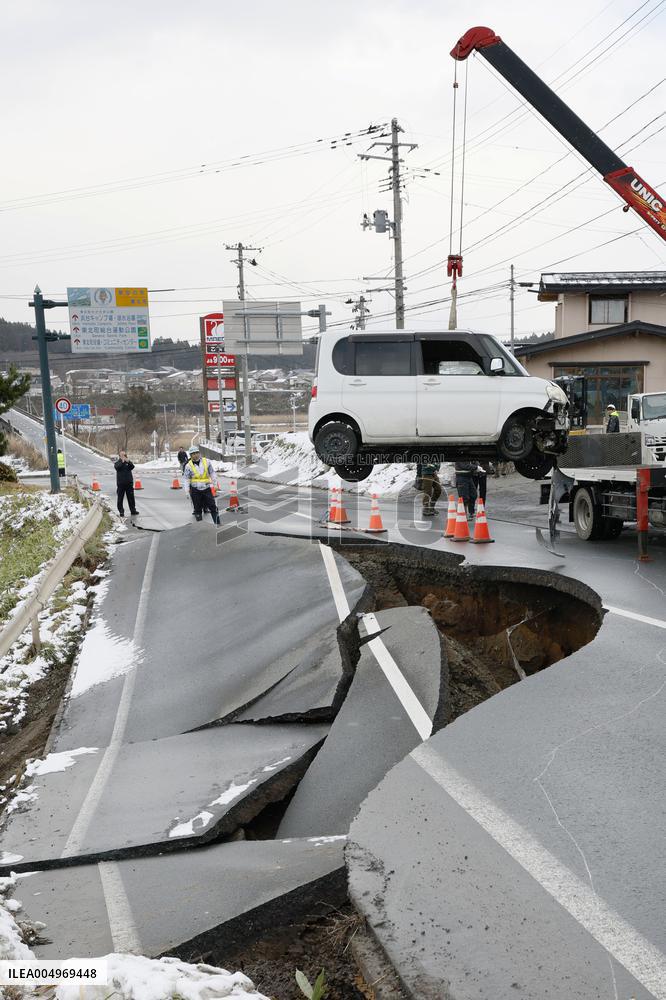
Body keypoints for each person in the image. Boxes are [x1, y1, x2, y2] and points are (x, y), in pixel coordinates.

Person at [182, 446, 220, 524]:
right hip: (195, 490)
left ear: (199, 453)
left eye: (197, 453)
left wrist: (215, 484)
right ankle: (200, 527)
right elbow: (186, 479)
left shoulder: (206, 462)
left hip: (206, 488)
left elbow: (212, 473)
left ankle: (218, 525)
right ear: (190, 455)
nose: (195, 455)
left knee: (213, 507)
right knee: (197, 509)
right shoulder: (188, 466)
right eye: (193, 454)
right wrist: (186, 491)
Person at [114, 450, 139, 518]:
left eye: (124, 455)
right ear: (119, 456)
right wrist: (122, 462)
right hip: (121, 484)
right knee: (120, 498)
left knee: (131, 498)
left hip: (129, 483)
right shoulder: (117, 463)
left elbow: (132, 467)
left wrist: (128, 462)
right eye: (122, 455)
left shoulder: (128, 462)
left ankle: (133, 510)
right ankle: (121, 511)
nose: (123, 456)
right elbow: (117, 468)